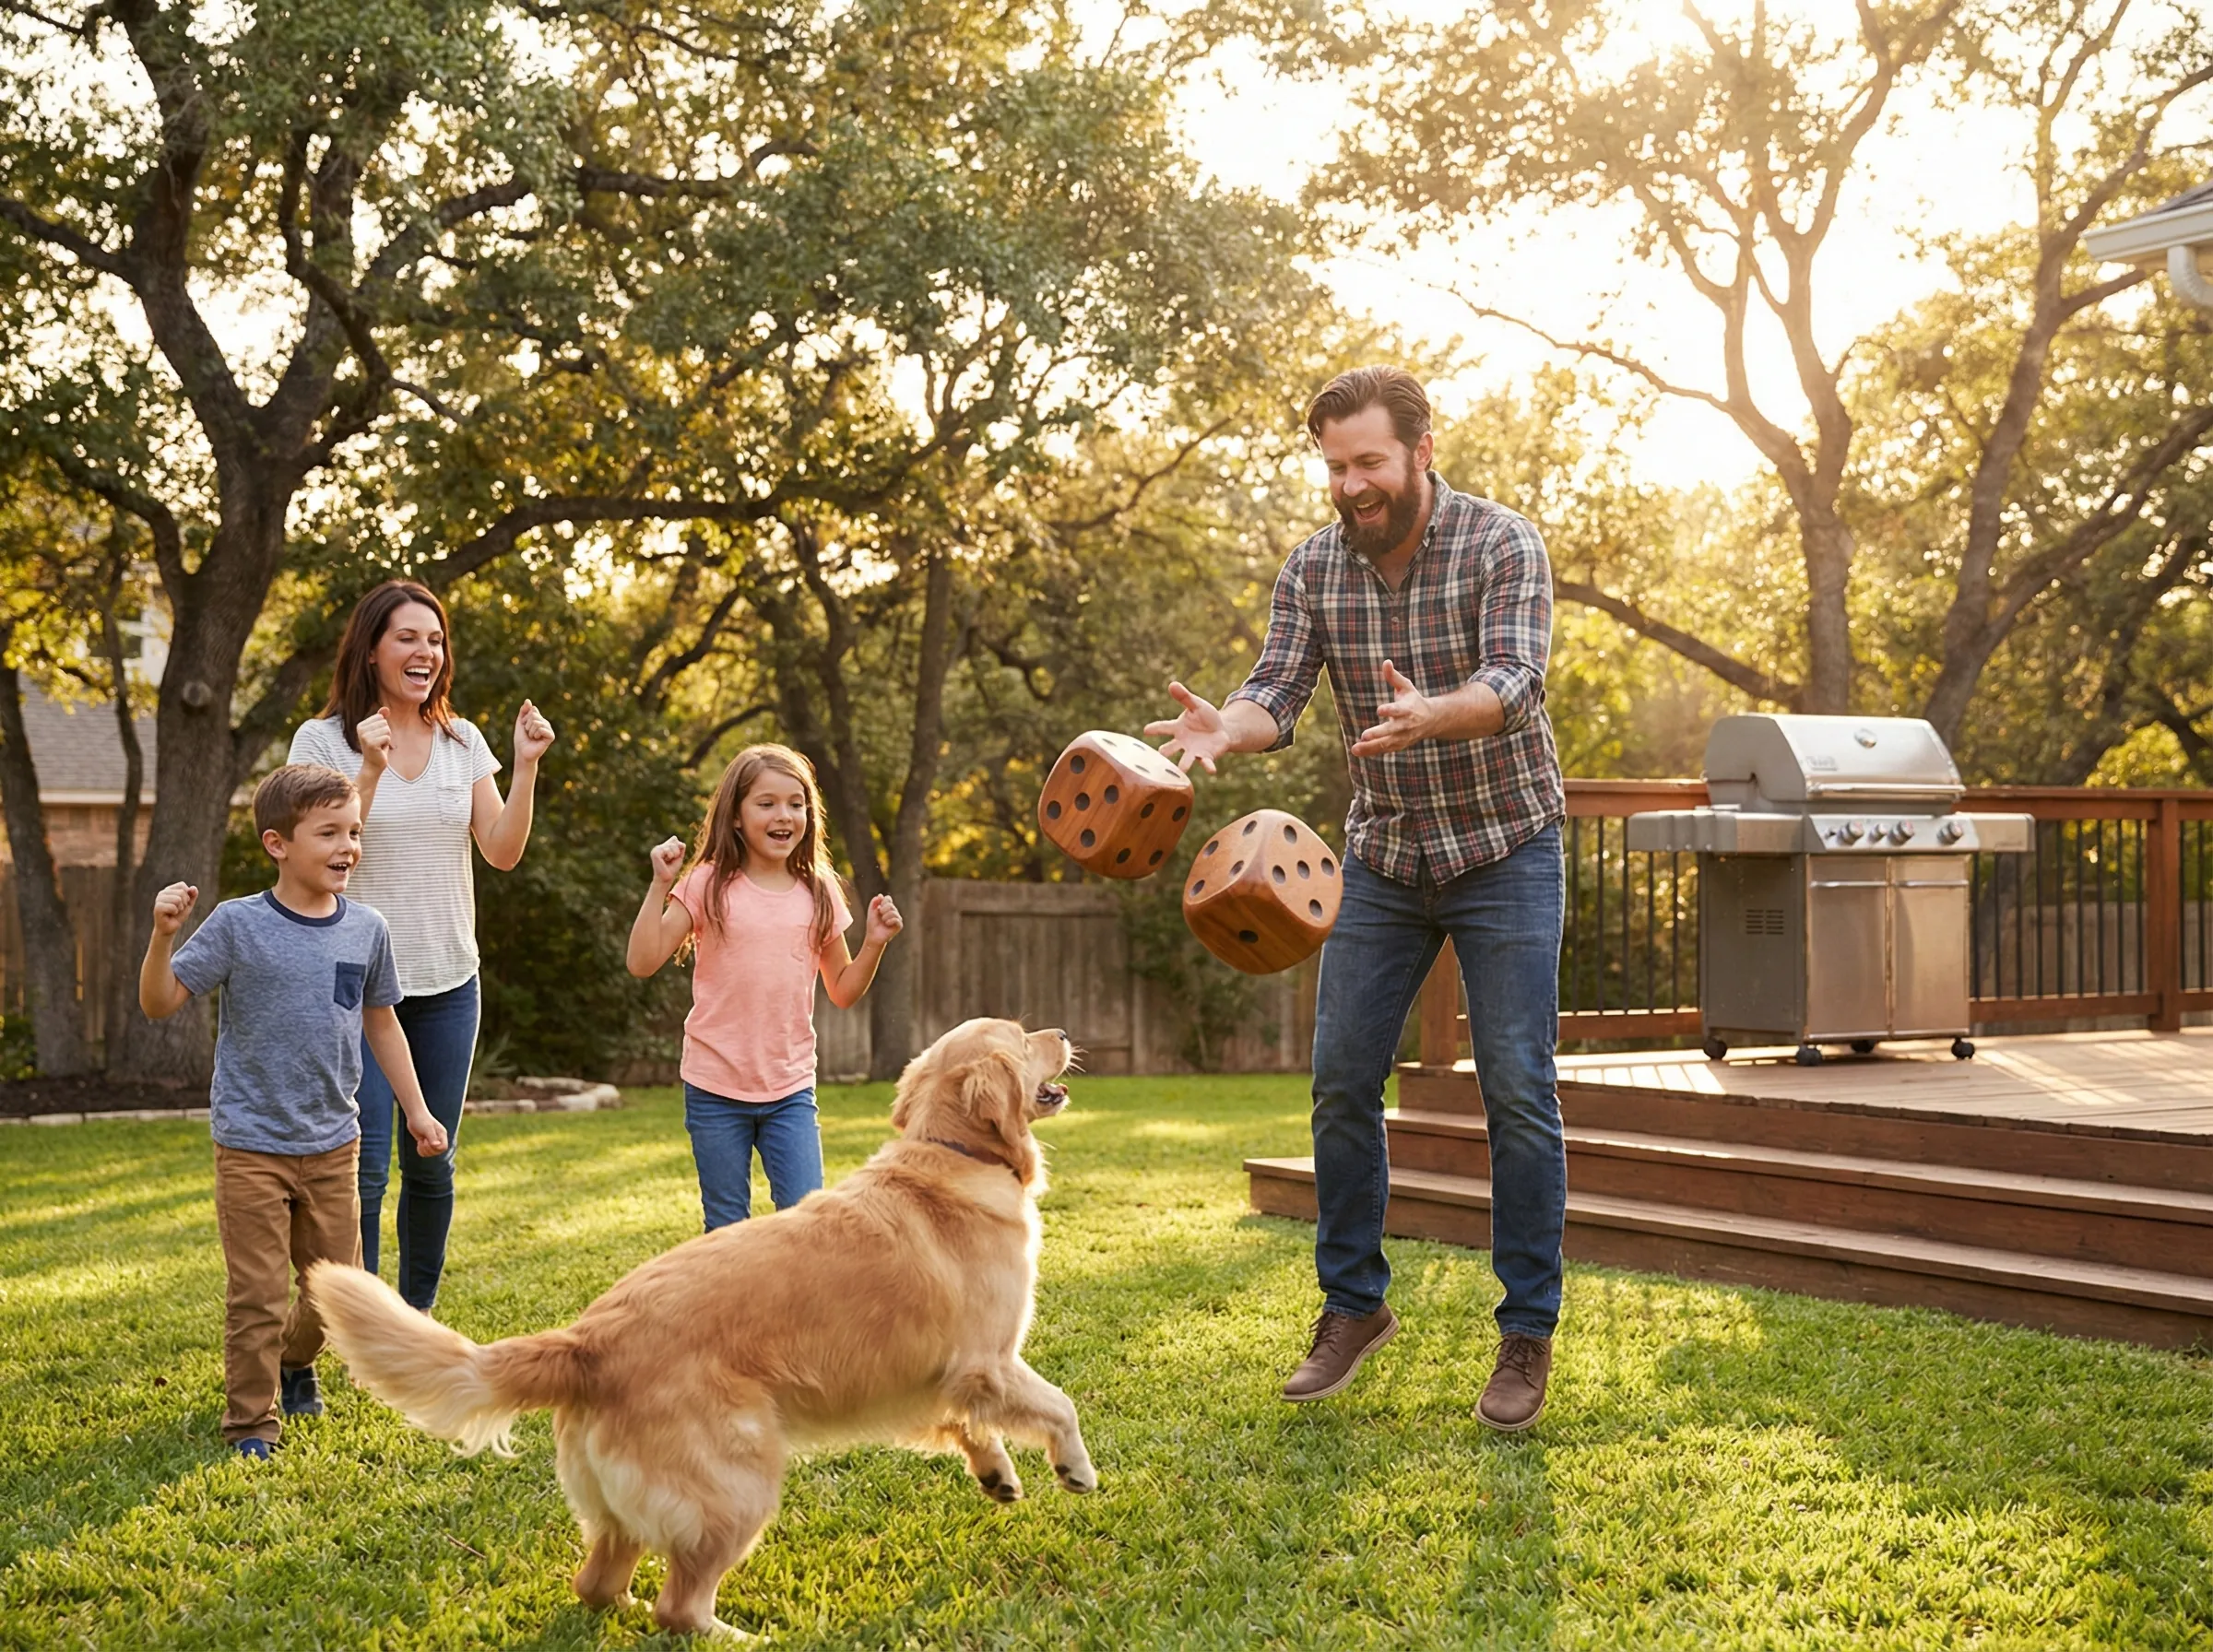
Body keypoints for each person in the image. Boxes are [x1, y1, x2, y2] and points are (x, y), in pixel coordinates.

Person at [1148, 365, 1568, 1431]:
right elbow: (1275, 689)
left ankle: (1527, 1330)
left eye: (1369, 462)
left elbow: (1516, 679)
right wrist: (1222, 730)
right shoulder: (1316, 568)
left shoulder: (1501, 543)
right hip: (1384, 854)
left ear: (1423, 451)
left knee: (1516, 1087)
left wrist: (1439, 712)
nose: (1351, 485)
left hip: (1505, 845)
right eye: (1335, 467)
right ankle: (1353, 1306)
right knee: (1340, 1078)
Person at [138, 763, 448, 1460]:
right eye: (330, 833)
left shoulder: (366, 929)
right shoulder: (238, 925)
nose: (348, 846)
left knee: (336, 1298)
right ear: (278, 844)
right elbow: (159, 1004)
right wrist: (162, 937)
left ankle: (291, 1357)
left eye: (355, 833)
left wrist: (419, 1114)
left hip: (334, 1143)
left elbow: (384, 1025)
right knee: (255, 1293)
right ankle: (252, 1424)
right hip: (250, 1145)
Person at [288, 579, 554, 1314]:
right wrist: (367, 767)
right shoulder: (322, 742)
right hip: (356, 987)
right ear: (372, 650)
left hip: (447, 983)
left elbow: (501, 850)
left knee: (432, 1160)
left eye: (435, 640)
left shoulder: (462, 741)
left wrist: (526, 765)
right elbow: (328, 852)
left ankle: (416, 1318)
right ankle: (361, 1324)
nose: (425, 652)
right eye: (408, 637)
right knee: (366, 1166)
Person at [627, 743, 904, 1231]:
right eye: (767, 803)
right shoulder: (707, 883)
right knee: (727, 1229)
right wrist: (659, 884)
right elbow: (642, 961)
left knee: (806, 1223)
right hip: (714, 1086)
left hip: (790, 1088)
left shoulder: (819, 891)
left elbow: (841, 989)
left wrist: (874, 944)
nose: (785, 815)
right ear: (735, 816)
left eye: (796, 804)